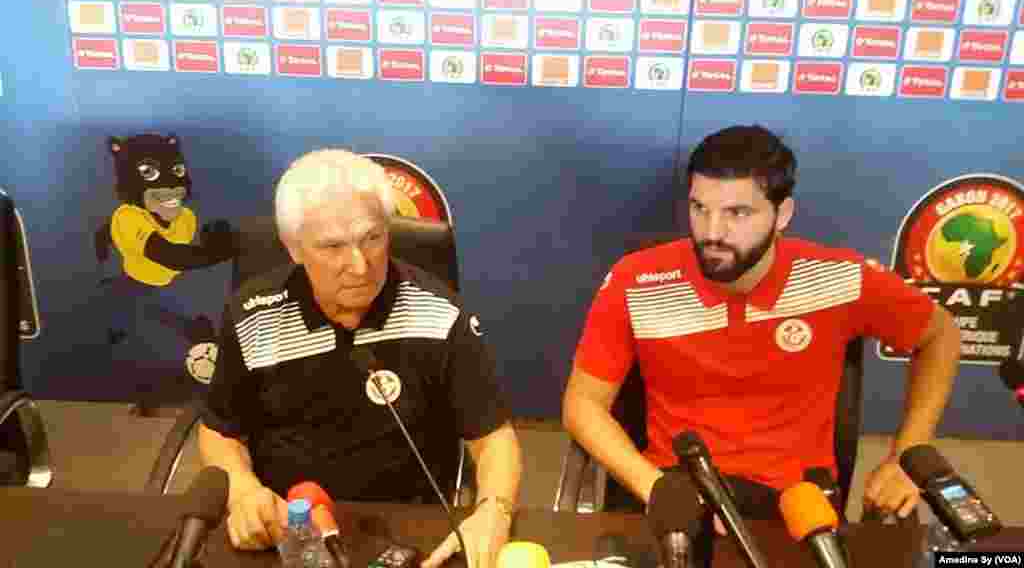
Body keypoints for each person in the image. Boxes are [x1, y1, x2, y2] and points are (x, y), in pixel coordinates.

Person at [563, 125, 960, 525]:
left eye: (737, 213)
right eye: (700, 208)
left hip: (794, 504)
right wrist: (655, 488)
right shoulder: (638, 280)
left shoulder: (837, 279)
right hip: (675, 486)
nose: (713, 232)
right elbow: (582, 404)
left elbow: (939, 334)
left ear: (782, 214)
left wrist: (908, 452)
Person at [198, 149, 522, 568]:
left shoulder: (439, 314)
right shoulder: (254, 315)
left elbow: (494, 439)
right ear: (293, 248)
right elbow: (219, 430)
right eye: (332, 246)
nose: (359, 265)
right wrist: (243, 490)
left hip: (409, 531)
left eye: (372, 238)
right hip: (289, 533)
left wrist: (493, 510)